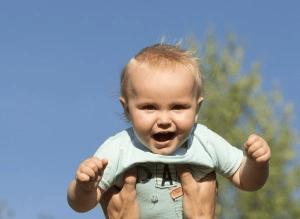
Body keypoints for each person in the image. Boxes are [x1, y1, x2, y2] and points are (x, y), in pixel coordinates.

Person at [67, 44, 271, 218]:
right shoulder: (120, 147)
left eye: (178, 107)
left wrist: (257, 164)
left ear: (197, 109)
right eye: (149, 107)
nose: (164, 120)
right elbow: (81, 205)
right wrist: (84, 187)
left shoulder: (203, 140)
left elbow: (247, 181)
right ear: (128, 110)